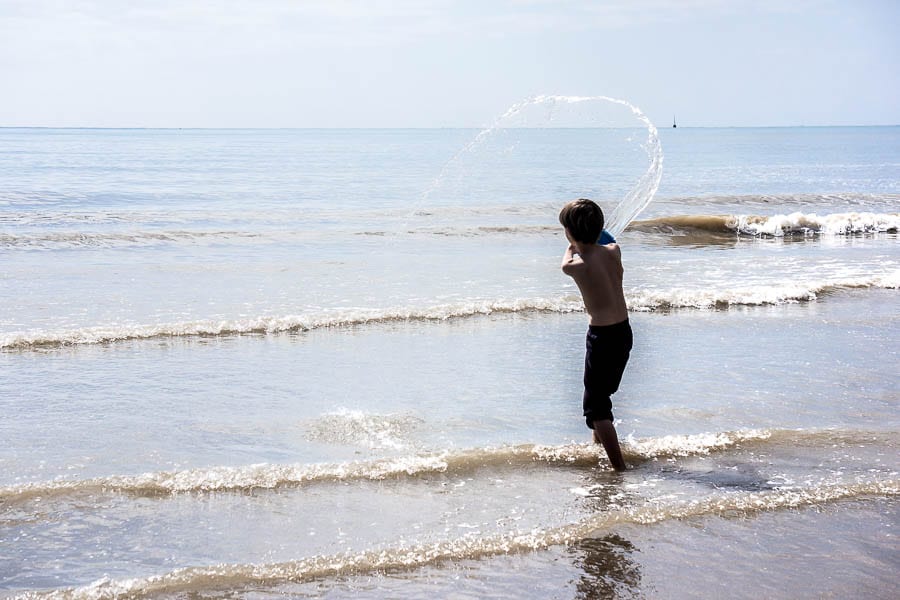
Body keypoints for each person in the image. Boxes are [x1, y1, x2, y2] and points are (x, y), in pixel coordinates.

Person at [559, 198, 632, 471]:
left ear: (570, 233)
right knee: (600, 396)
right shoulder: (614, 251)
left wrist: (572, 244)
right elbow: (608, 240)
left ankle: (619, 468)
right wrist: (583, 237)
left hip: (602, 337)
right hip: (624, 333)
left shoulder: (576, 265)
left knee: (596, 407)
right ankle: (598, 449)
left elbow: (566, 261)